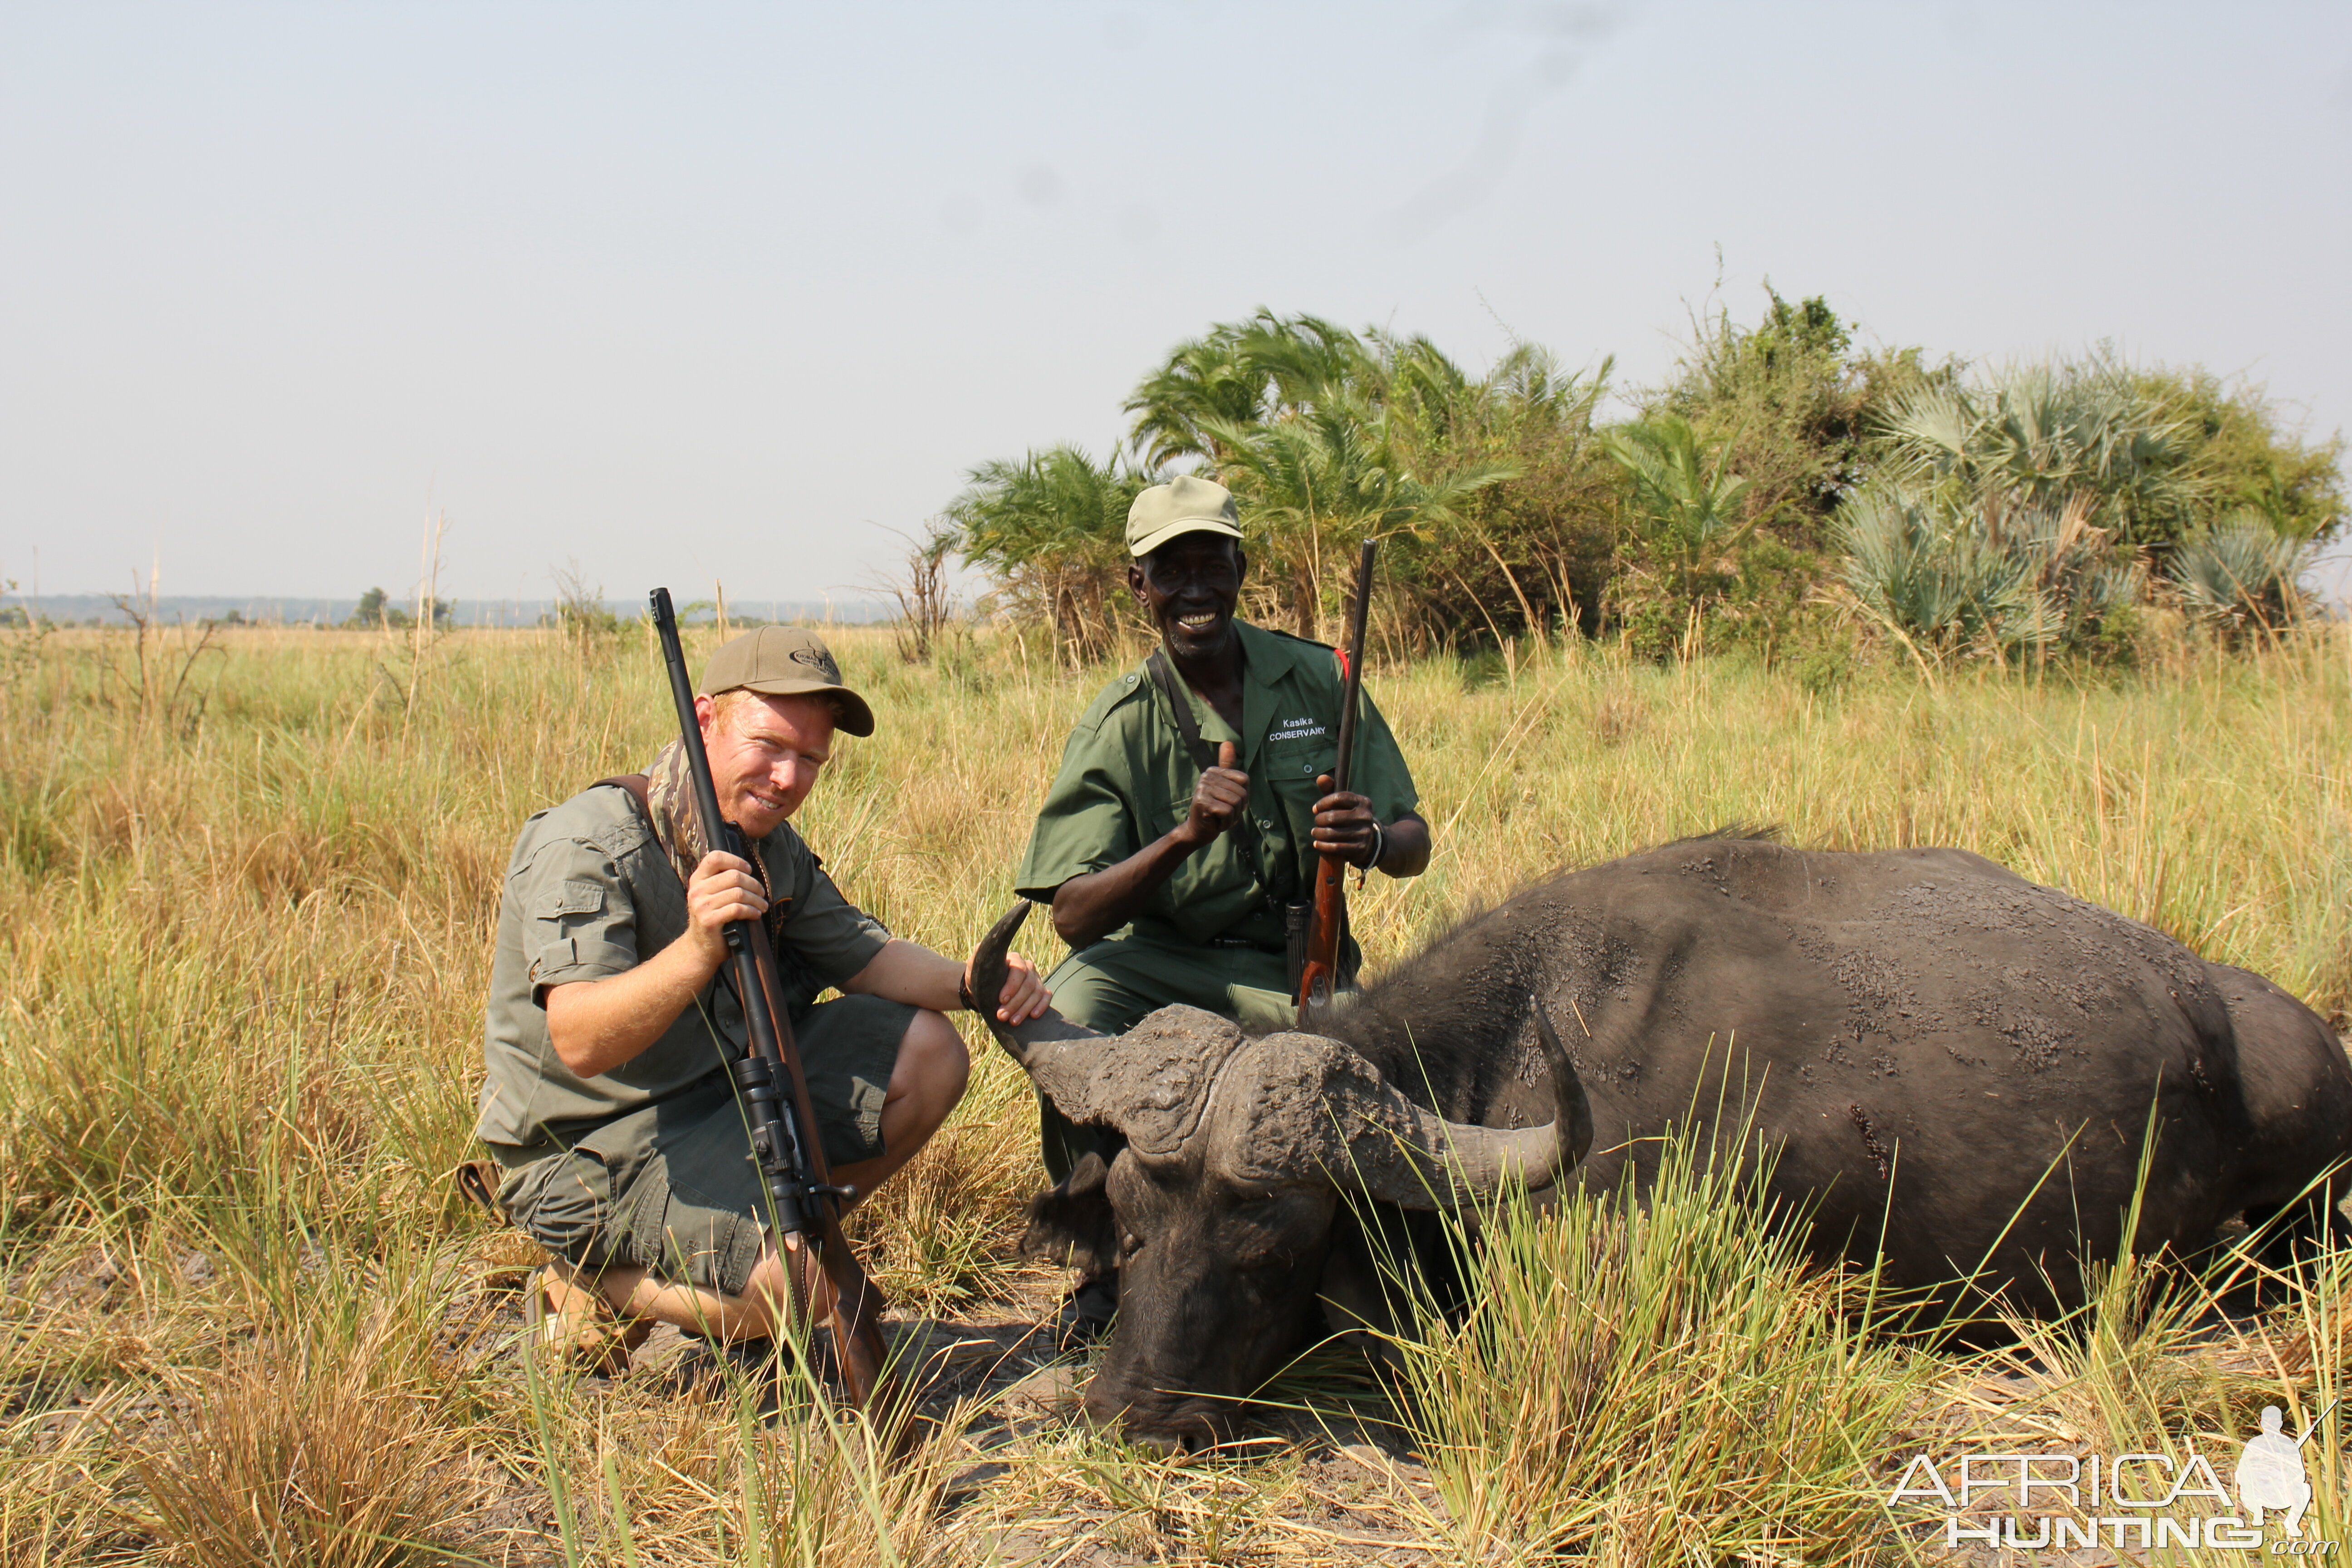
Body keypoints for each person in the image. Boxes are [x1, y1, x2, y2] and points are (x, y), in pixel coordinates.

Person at [474, 624, 1049, 1372]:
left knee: (932, 1053)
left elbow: (865, 957)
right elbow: (581, 1039)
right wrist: (696, 948)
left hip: (719, 1101)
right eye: (770, 746)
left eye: (811, 759)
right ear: (705, 720)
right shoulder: (587, 844)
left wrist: (974, 982)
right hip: (590, 1151)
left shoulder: (764, 841)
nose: (788, 778)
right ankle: (597, 1283)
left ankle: (756, 1249)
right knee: (792, 1290)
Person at [1012, 474, 1431, 1343]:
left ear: (1242, 568)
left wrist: (1375, 843)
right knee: (1073, 1009)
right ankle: (1101, 1268)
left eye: (1213, 564)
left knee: (1381, 1079)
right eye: (1172, 571)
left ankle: (1339, 1284)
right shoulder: (1119, 720)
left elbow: (1414, 839)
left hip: (1293, 963)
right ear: (1140, 587)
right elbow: (1074, 918)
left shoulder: (1322, 677)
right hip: (1162, 962)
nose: (1194, 589)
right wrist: (1184, 836)